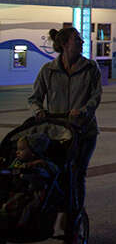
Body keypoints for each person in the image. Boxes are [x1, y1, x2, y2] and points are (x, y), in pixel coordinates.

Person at [28, 27, 101, 212]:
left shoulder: (90, 68)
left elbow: (95, 97)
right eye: (77, 39)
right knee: (56, 172)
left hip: (84, 131)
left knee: (77, 173)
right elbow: (34, 98)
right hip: (57, 131)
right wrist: (39, 111)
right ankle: (56, 208)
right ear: (64, 44)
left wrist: (83, 111)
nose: (82, 42)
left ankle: (75, 214)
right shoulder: (49, 70)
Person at [0, 134, 59, 229]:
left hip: (37, 193)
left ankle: (21, 226)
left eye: (21, 149)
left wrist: (30, 171)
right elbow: (10, 170)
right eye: (17, 149)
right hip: (22, 190)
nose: (17, 152)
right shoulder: (18, 162)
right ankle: (7, 218)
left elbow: (49, 173)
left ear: (33, 152)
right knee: (10, 202)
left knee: (29, 208)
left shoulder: (42, 164)